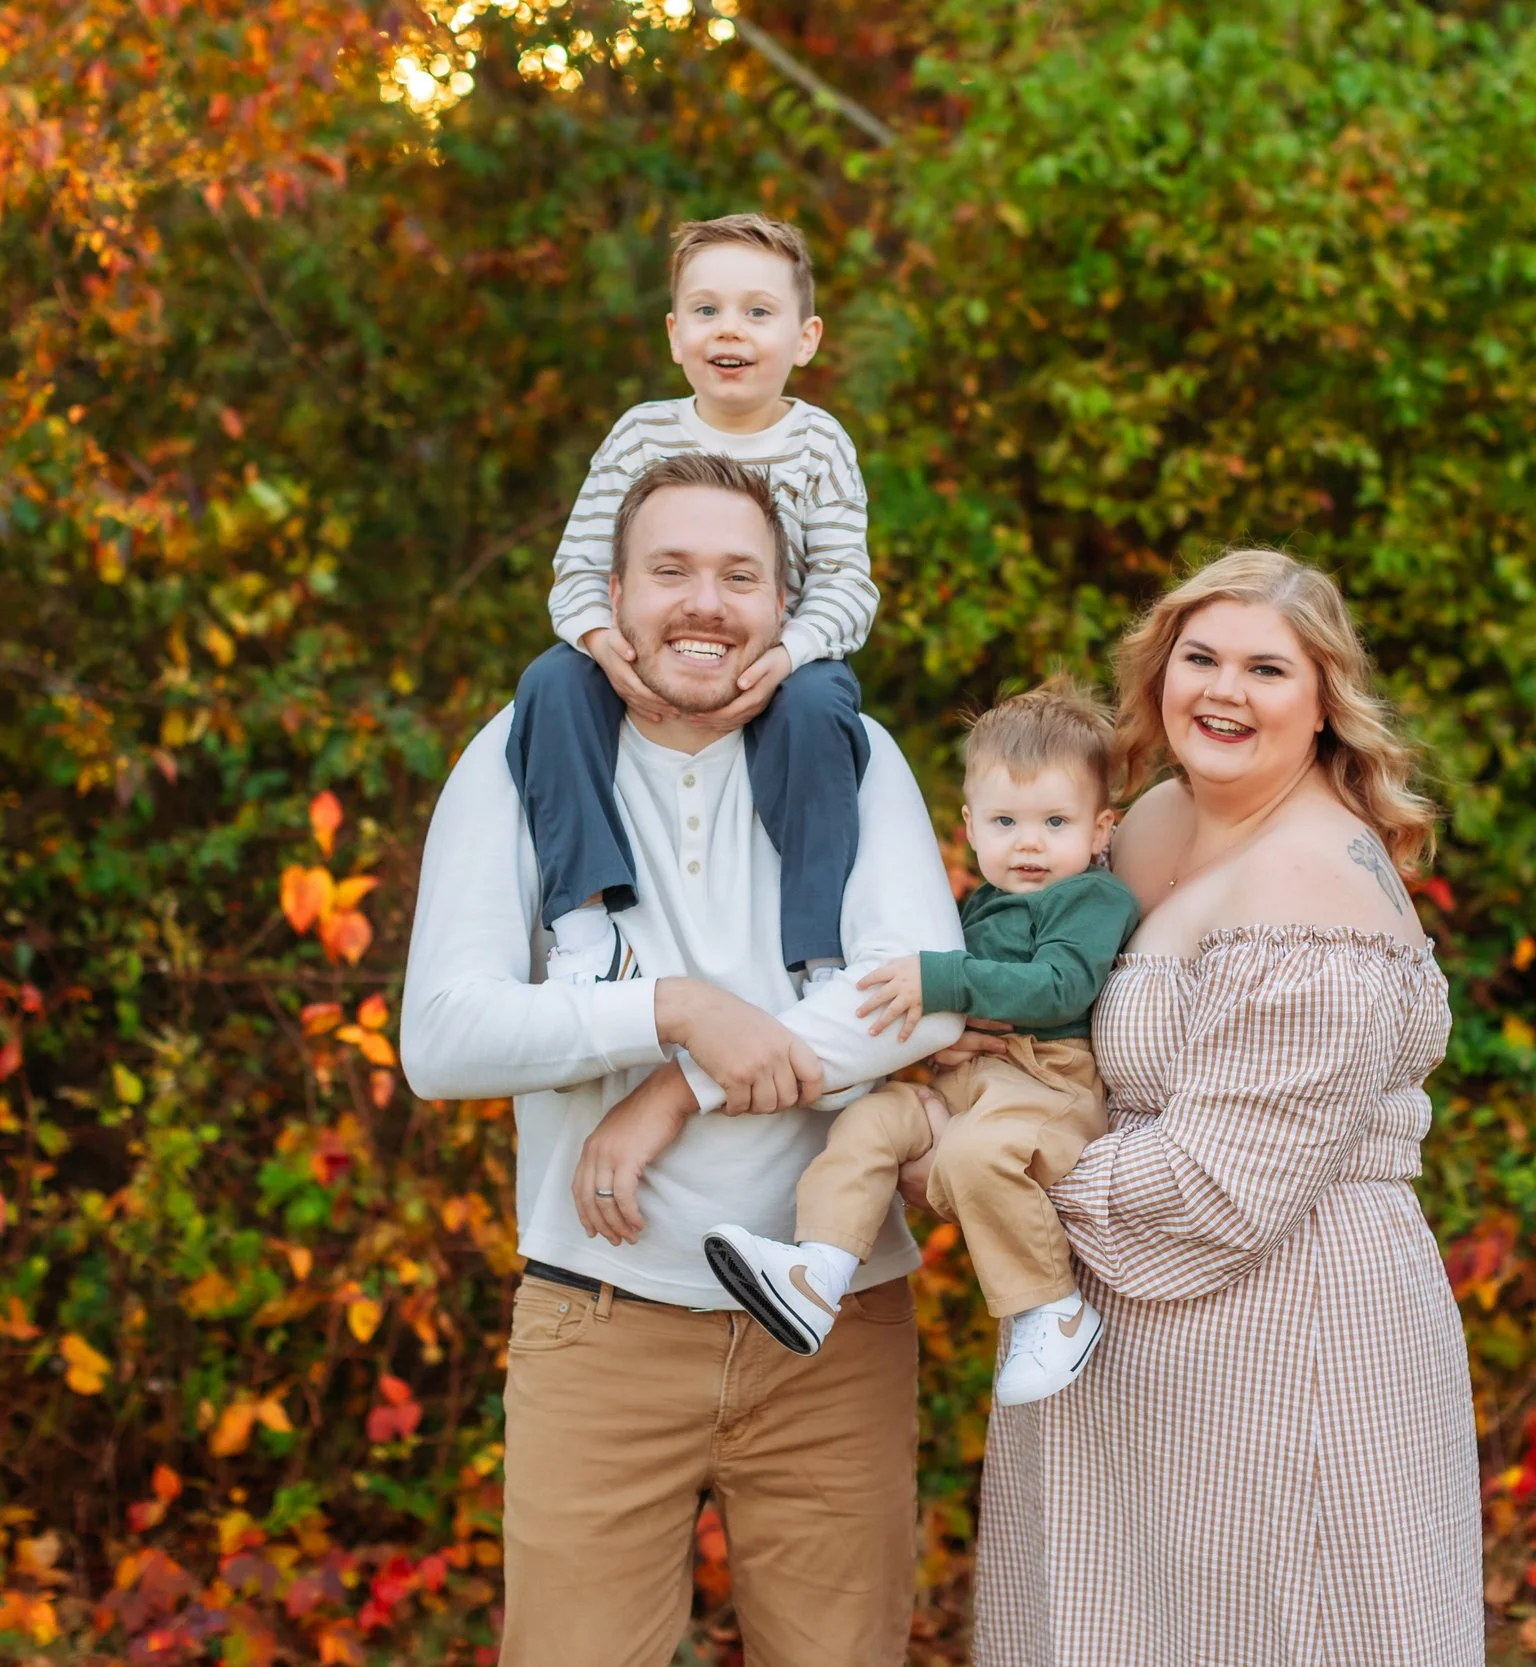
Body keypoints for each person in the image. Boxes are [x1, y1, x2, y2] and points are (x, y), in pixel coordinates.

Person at [398, 450, 961, 1667]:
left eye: (738, 575)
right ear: (612, 592)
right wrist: (667, 1005)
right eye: (671, 570)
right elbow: (442, 1036)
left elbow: (922, 1006)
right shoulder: (520, 752)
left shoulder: (856, 751)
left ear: (781, 604)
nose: (705, 603)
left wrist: (681, 1079)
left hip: (832, 1330)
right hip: (598, 1323)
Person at [960, 548, 1485, 1666]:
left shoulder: (1310, 884)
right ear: (1158, 673)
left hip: (1281, 1325)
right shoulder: (1147, 823)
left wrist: (989, 1164)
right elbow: (1059, 1016)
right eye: (1198, 657)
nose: (1223, 691)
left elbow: (1219, 1185)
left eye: (1266, 669)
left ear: (1323, 700)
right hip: (1121, 1336)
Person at [702, 681, 1140, 1406]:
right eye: (1006, 820)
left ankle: (1052, 1307)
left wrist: (942, 979)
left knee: (975, 1155)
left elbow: (1060, 986)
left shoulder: (1092, 899)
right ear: (970, 825)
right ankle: (820, 1271)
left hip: (1047, 1086)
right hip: (966, 1085)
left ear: (1100, 830)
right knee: (871, 1120)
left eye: (1055, 821)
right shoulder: (979, 902)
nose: (1028, 842)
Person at [506, 211, 877, 982]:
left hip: (771, 661)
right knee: (549, 683)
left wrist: (789, 656)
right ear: (675, 335)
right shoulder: (641, 435)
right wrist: (603, 645)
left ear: (805, 338)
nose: (728, 330)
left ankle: (819, 951)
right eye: (706, 311)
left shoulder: (820, 446)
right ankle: (585, 928)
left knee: (819, 708)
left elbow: (846, 583)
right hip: (648, 655)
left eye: (758, 312)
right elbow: (578, 569)